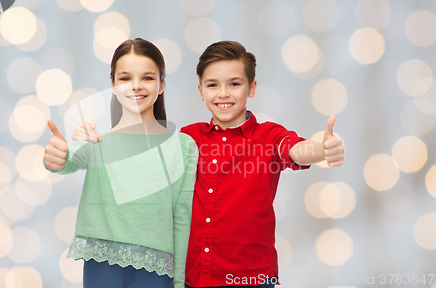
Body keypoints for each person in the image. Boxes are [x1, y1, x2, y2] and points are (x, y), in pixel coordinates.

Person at [72, 40, 345, 288]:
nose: (223, 93)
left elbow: (295, 150)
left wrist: (321, 149)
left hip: (250, 278)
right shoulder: (186, 140)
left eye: (234, 84)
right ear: (201, 91)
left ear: (252, 88)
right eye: (213, 85)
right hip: (195, 278)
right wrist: (92, 139)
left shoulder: (268, 136)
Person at [43, 38, 198, 288]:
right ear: (113, 86)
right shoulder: (96, 140)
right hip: (102, 268)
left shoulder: (183, 146)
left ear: (161, 85)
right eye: (125, 78)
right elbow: (69, 160)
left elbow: (182, 218)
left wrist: (179, 282)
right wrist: (55, 156)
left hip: (157, 272)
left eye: (147, 78)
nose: (136, 86)